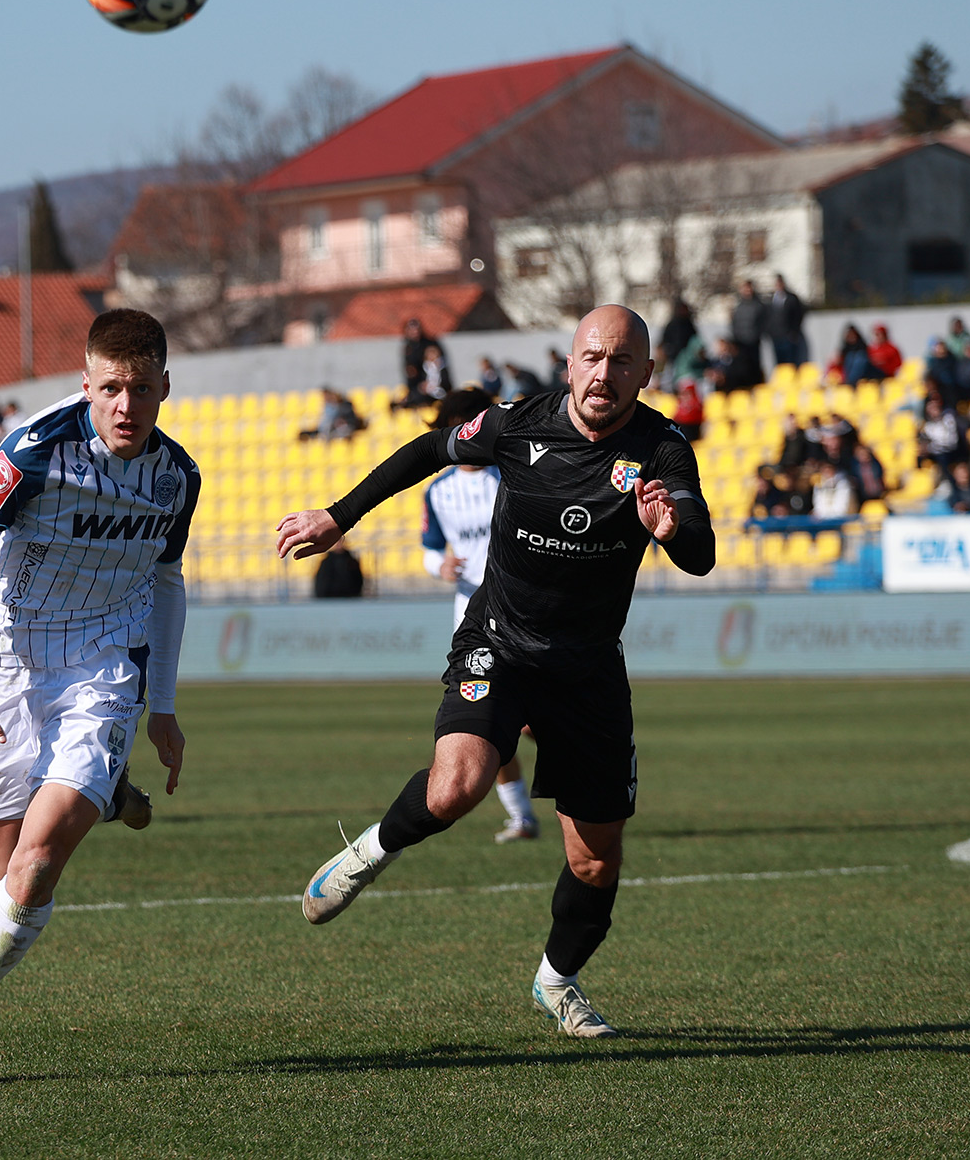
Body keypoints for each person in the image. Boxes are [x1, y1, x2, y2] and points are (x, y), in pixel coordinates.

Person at [275, 305, 714, 1039]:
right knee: (457, 785)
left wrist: (671, 531)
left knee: (596, 859)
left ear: (645, 373)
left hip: (587, 669)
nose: (605, 372)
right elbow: (426, 452)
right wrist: (340, 514)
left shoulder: (663, 449)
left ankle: (557, 979)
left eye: (622, 361)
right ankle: (370, 850)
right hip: (499, 641)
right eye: (593, 356)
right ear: (570, 363)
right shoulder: (514, 423)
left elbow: (699, 549)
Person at [0, 309, 199, 1091]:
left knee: (34, 870)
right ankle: (106, 792)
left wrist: (159, 704)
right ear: (86, 385)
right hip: (6, 664)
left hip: (101, 669)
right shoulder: (37, 448)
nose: (124, 406)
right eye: (109, 389)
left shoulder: (178, 477)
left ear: (165, 385)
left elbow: (166, 582)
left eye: (139, 389)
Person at [418, 389, 536, 844]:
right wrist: (440, 567)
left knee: (528, 723)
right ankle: (521, 816)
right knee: (488, 721)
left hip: (523, 614)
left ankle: (584, 758)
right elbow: (430, 550)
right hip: (470, 623)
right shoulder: (439, 491)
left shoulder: (509, 475)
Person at [767, 275, 808, 372]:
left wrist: (794, 331)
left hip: (788, 336)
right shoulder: (770, 299)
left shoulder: (791, 298)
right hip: (776, 336)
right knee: (779, 364)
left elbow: (798, 314)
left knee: (791, 362)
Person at [730, 279, 767, 380]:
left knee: (754, 365)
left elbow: (763, 323)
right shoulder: (738, 306)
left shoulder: (758, 305)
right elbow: (734, 323)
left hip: (753, 341)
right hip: (740, 343)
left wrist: (756, 335)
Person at [300, 388, 367, 442]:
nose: (325, 399)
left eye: (326, 396)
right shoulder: (329, 407)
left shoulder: (344, 406)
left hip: (344, 427)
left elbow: (350, 420)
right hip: (331, 428)